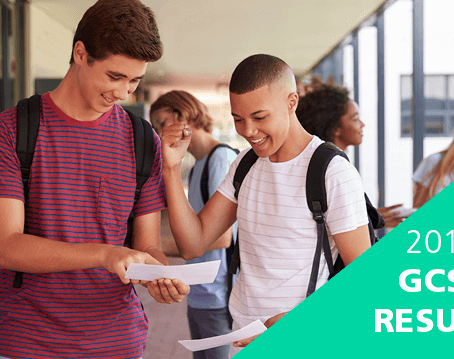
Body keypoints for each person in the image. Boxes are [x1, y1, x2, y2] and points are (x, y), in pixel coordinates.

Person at [0, 0, 189, 359]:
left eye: (134, 81)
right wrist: (105, 254)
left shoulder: (141, 139)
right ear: (81, 53)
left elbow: (147, 245)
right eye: (114, 76)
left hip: (118, 341)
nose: (122, 93)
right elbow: (5, 246)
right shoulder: (12, 129)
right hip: (30, 342)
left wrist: (158, 276)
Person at [159, 54, 371, 356]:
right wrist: (171, 168)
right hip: (242, 338)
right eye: (238, 119)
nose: (247, 130)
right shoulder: (245, 164)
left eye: (259, 117)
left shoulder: (331, 171)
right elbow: (194, 243)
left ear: (291, 102)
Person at [150, 90, 237, 359]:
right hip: (200, 291)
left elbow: (222, 238)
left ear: (184, 116)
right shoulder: (198, 164)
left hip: (218, 294)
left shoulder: (220, 158)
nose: (159, 134)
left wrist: (155, 247)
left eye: (162, 124)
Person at [296, 83, 408, 228]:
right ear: (335, 128)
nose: (362, 124)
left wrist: (369, 217)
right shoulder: (335, 168)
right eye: (355, 119)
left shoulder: (318, 162)